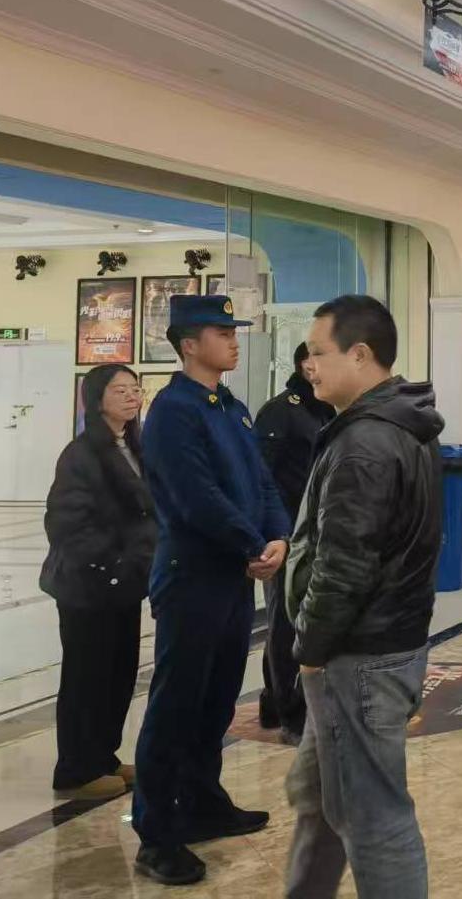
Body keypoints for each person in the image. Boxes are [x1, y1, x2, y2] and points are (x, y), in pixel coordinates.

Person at [284, 295, 444, 899]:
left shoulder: (366, 443)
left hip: (358, 653)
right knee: (323, 801)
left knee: (373, 819)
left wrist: (310, 648)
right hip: (379, 642)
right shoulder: (395, 424)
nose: (309, 365)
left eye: (318, 352)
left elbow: (345, 566)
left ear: (359, 354)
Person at [133, 295, 290, 886]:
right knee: (177, 704)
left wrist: (277, 535)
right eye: (221, 332)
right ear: (189, 344)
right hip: (193, 576)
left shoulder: (231, 407)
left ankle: (202, 802)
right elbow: (196, 497)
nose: (233, 340)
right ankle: (156, 835)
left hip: (232, 575)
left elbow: (262, 482)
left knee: (218, 699)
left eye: (233, 331)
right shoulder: (173, 411)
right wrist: (253, 544)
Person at [40, 364, 156, 801]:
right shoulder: (81, 454)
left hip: (124, 583)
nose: (131, 396)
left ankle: (103, 757)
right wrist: (111, 560)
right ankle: (76, 768)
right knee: (86, 676)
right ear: (96, 398)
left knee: (118, 673)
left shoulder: (135, 447)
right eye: (119, 389)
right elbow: (65, 522)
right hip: (86, 585)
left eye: (134, 388)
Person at [254, 343, 336, 744]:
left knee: (302, 620)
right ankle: (291, 714)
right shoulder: (281, 411)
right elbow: (262, 478)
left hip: (316, 533)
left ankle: (276, 701)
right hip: (287, 536)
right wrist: (274, 534)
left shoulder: (325, 409)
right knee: (286, 624)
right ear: (306, 364)